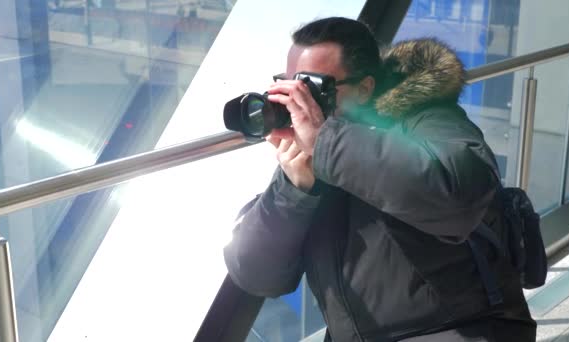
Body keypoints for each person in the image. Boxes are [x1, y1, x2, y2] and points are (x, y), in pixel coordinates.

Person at [223, 17, 536, 341]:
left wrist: (327, 143)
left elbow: (459, 198)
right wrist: (293, 189)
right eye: (288, 85)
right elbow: (255, 274)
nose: (296, 102)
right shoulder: (314, 150)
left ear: (364, 88)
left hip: (468, 330)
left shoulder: (427, 120)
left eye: (311, 87)